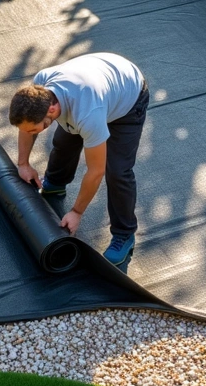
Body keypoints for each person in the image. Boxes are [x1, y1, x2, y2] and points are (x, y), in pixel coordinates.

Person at [8, 52, 148, 266]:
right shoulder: (41, 84)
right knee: (64, 141)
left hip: (128, 98)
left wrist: (76, 212)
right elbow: (27, 128)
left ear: (51, 109)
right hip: (99, 84)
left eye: (37, 128)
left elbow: (95, 171)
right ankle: (55, 183)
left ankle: (124, 235)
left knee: (118, 171)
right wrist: (23, 164)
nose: (33, 132)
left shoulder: (87, 113)